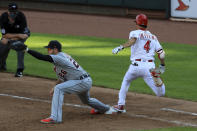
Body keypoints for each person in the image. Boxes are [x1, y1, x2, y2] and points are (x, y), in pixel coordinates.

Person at [25, 40, 116, 124]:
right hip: (83, 81)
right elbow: (62, 78)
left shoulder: (59, 57)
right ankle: (105, 109)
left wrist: (27, 50)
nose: (47, 50)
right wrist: (54, 87)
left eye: (49, 49)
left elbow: (42, 57)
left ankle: (55, 117)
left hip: (81, 81)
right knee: (86, 100)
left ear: (55, 49)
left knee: (59, 89)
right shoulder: (61, 59)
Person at [112, 14, 166, 113]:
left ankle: (120, 105)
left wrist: (121, 47)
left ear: (137, 23)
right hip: (149, 67)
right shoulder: (153, 37)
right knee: (160, 93)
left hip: (135, 66)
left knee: (126, 81)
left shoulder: (134, 32)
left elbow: (132, 40)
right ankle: (157, 75)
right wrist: (162, 65)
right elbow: (161, 54)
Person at [0, 3, 30, 77]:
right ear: (8, 11)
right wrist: (17, 35)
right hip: (10, 36)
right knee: (2, 50)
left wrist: (12, 38)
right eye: (11, 11)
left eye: (15, 12)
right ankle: (2, 66)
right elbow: (4, 35)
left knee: (20, 48)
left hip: (19, 38)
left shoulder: (21, 16)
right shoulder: (3, 17)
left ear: (17, 11)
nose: (13, 13)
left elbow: (24, 35)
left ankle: (20, 70)